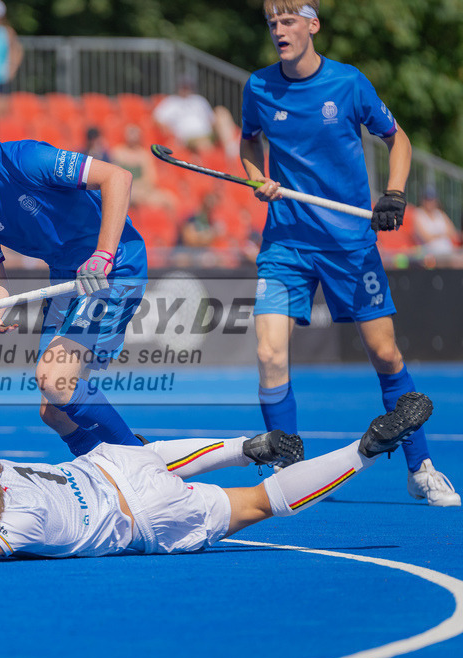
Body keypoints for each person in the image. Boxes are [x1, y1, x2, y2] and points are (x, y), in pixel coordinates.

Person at [239, 0, 459, 506]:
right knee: (269, 353)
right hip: (286, 242)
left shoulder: (348, 82)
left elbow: (396, 138)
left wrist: (396, 193)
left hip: (349, 244)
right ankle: (287, 469)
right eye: (272, 22)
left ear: (312, 25)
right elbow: (249, 145)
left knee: (385, 354)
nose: (279, 30)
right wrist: (258, 180)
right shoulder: (258, 86)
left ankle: (420, 467)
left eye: (288, 21)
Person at [0, 393, 432, 566]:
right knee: (155, 455)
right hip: (119, 465)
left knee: (262, 502)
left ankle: (363, 451)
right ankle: (245, 444)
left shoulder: (15, 525)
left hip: (145, 519)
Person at [0, 99, 147, 459]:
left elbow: (118, 177)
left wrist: (103, 254)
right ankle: (118, 468)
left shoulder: (26, 160)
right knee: (53, 412)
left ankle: (145, 467)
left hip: (113, 267)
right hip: (68, 280)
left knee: (55, 381)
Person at [153, 75, 239, 158]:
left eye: (188, 86)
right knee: (204, 145)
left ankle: (231, 148)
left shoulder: (199, 100)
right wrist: (171, 134)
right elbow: (158, 119)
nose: (186, 88)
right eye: (183, 86)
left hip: (208, 133)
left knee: (221, 111)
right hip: (188, 137)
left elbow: (212, 119)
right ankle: (224, 160)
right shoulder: (171, 102)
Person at [412, 186, 459, 259]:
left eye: (432, 200)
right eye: (427, 199)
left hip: (447, 250)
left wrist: (435, 235)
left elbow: (453, 233)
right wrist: (443, 234)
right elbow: (426, 238)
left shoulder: (440, 213)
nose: (430, 202)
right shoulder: (418, 214)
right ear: (423, 200)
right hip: (429, 253)